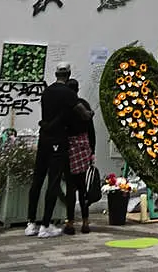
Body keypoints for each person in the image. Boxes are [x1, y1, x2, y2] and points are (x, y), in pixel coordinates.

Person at [25, 62, 93, 238]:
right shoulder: (69, 95)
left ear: (55, 74)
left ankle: (31, 222)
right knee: (54, 182)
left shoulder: (46, 92)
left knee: (37, 180)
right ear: (69, 74)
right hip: (58, 141)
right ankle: (45, 225)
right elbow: (83, 114)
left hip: (43, 138)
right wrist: (90, 114)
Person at [63, 78, 95, 235]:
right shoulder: (85, 105)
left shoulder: (66, 107)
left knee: (70, 187)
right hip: (84, 147)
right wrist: (92, 150)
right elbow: (91, 130)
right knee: (83, 187)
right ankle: (85, 221)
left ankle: (70, 222)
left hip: (70, 148)